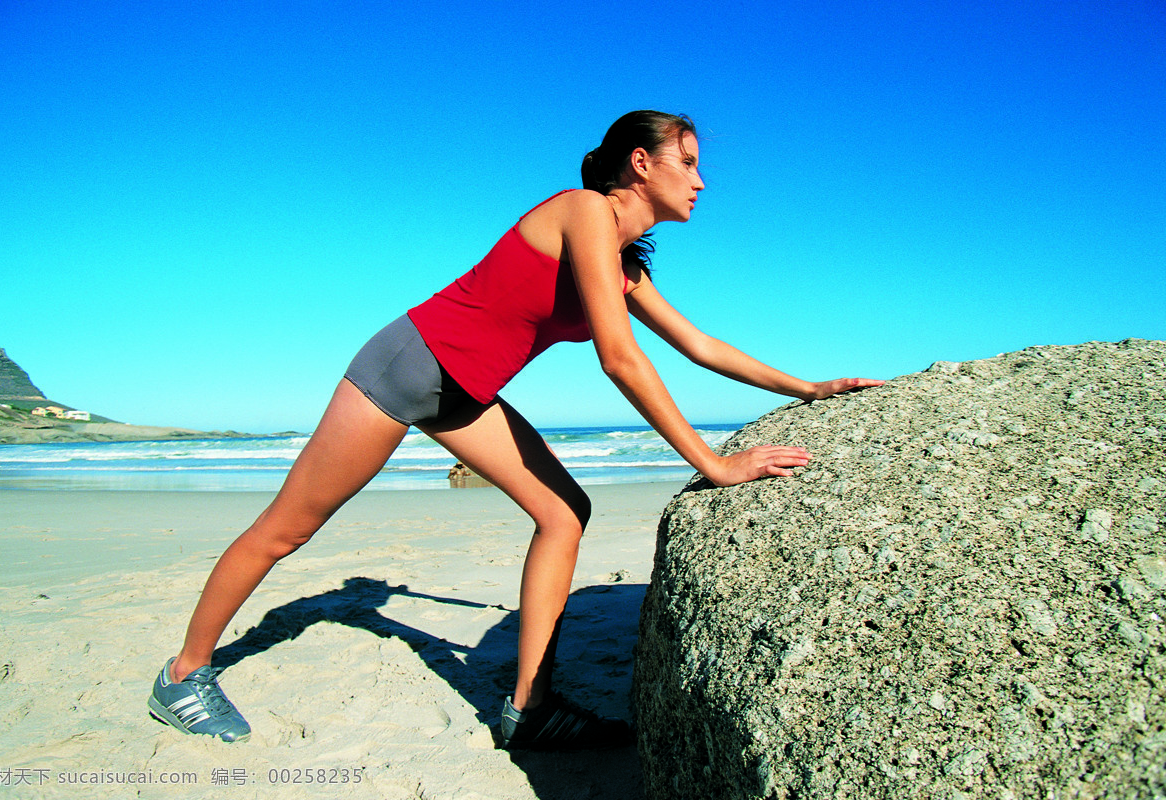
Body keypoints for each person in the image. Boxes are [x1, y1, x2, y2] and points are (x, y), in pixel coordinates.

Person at [147, 110, 883, 750]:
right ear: (641, 162)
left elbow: (700, 346)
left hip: (464, 392)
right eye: (687, 164)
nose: (700, 181)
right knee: (289, 527)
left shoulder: (624, 264)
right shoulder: (584, 212)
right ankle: (183, 674)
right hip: (410, 364)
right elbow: (619, 359)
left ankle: (528, 709)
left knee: (565, 513)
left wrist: (810, 386)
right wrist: (714, 462)